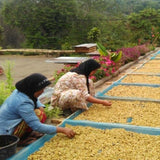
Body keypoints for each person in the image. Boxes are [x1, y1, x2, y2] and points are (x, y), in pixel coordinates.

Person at [0, 73, 75, 146]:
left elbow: (34, 98)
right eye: (41, 89)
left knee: (39, 112)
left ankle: (27, 133)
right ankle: (19, 139)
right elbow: (37, 126)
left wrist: (40, 106)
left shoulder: (22, 91)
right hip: (7, 132)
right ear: (33, 89)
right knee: (37, 114)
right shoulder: (23, 103)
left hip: (8, 123)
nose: (43, 91)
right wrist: (62, 130)